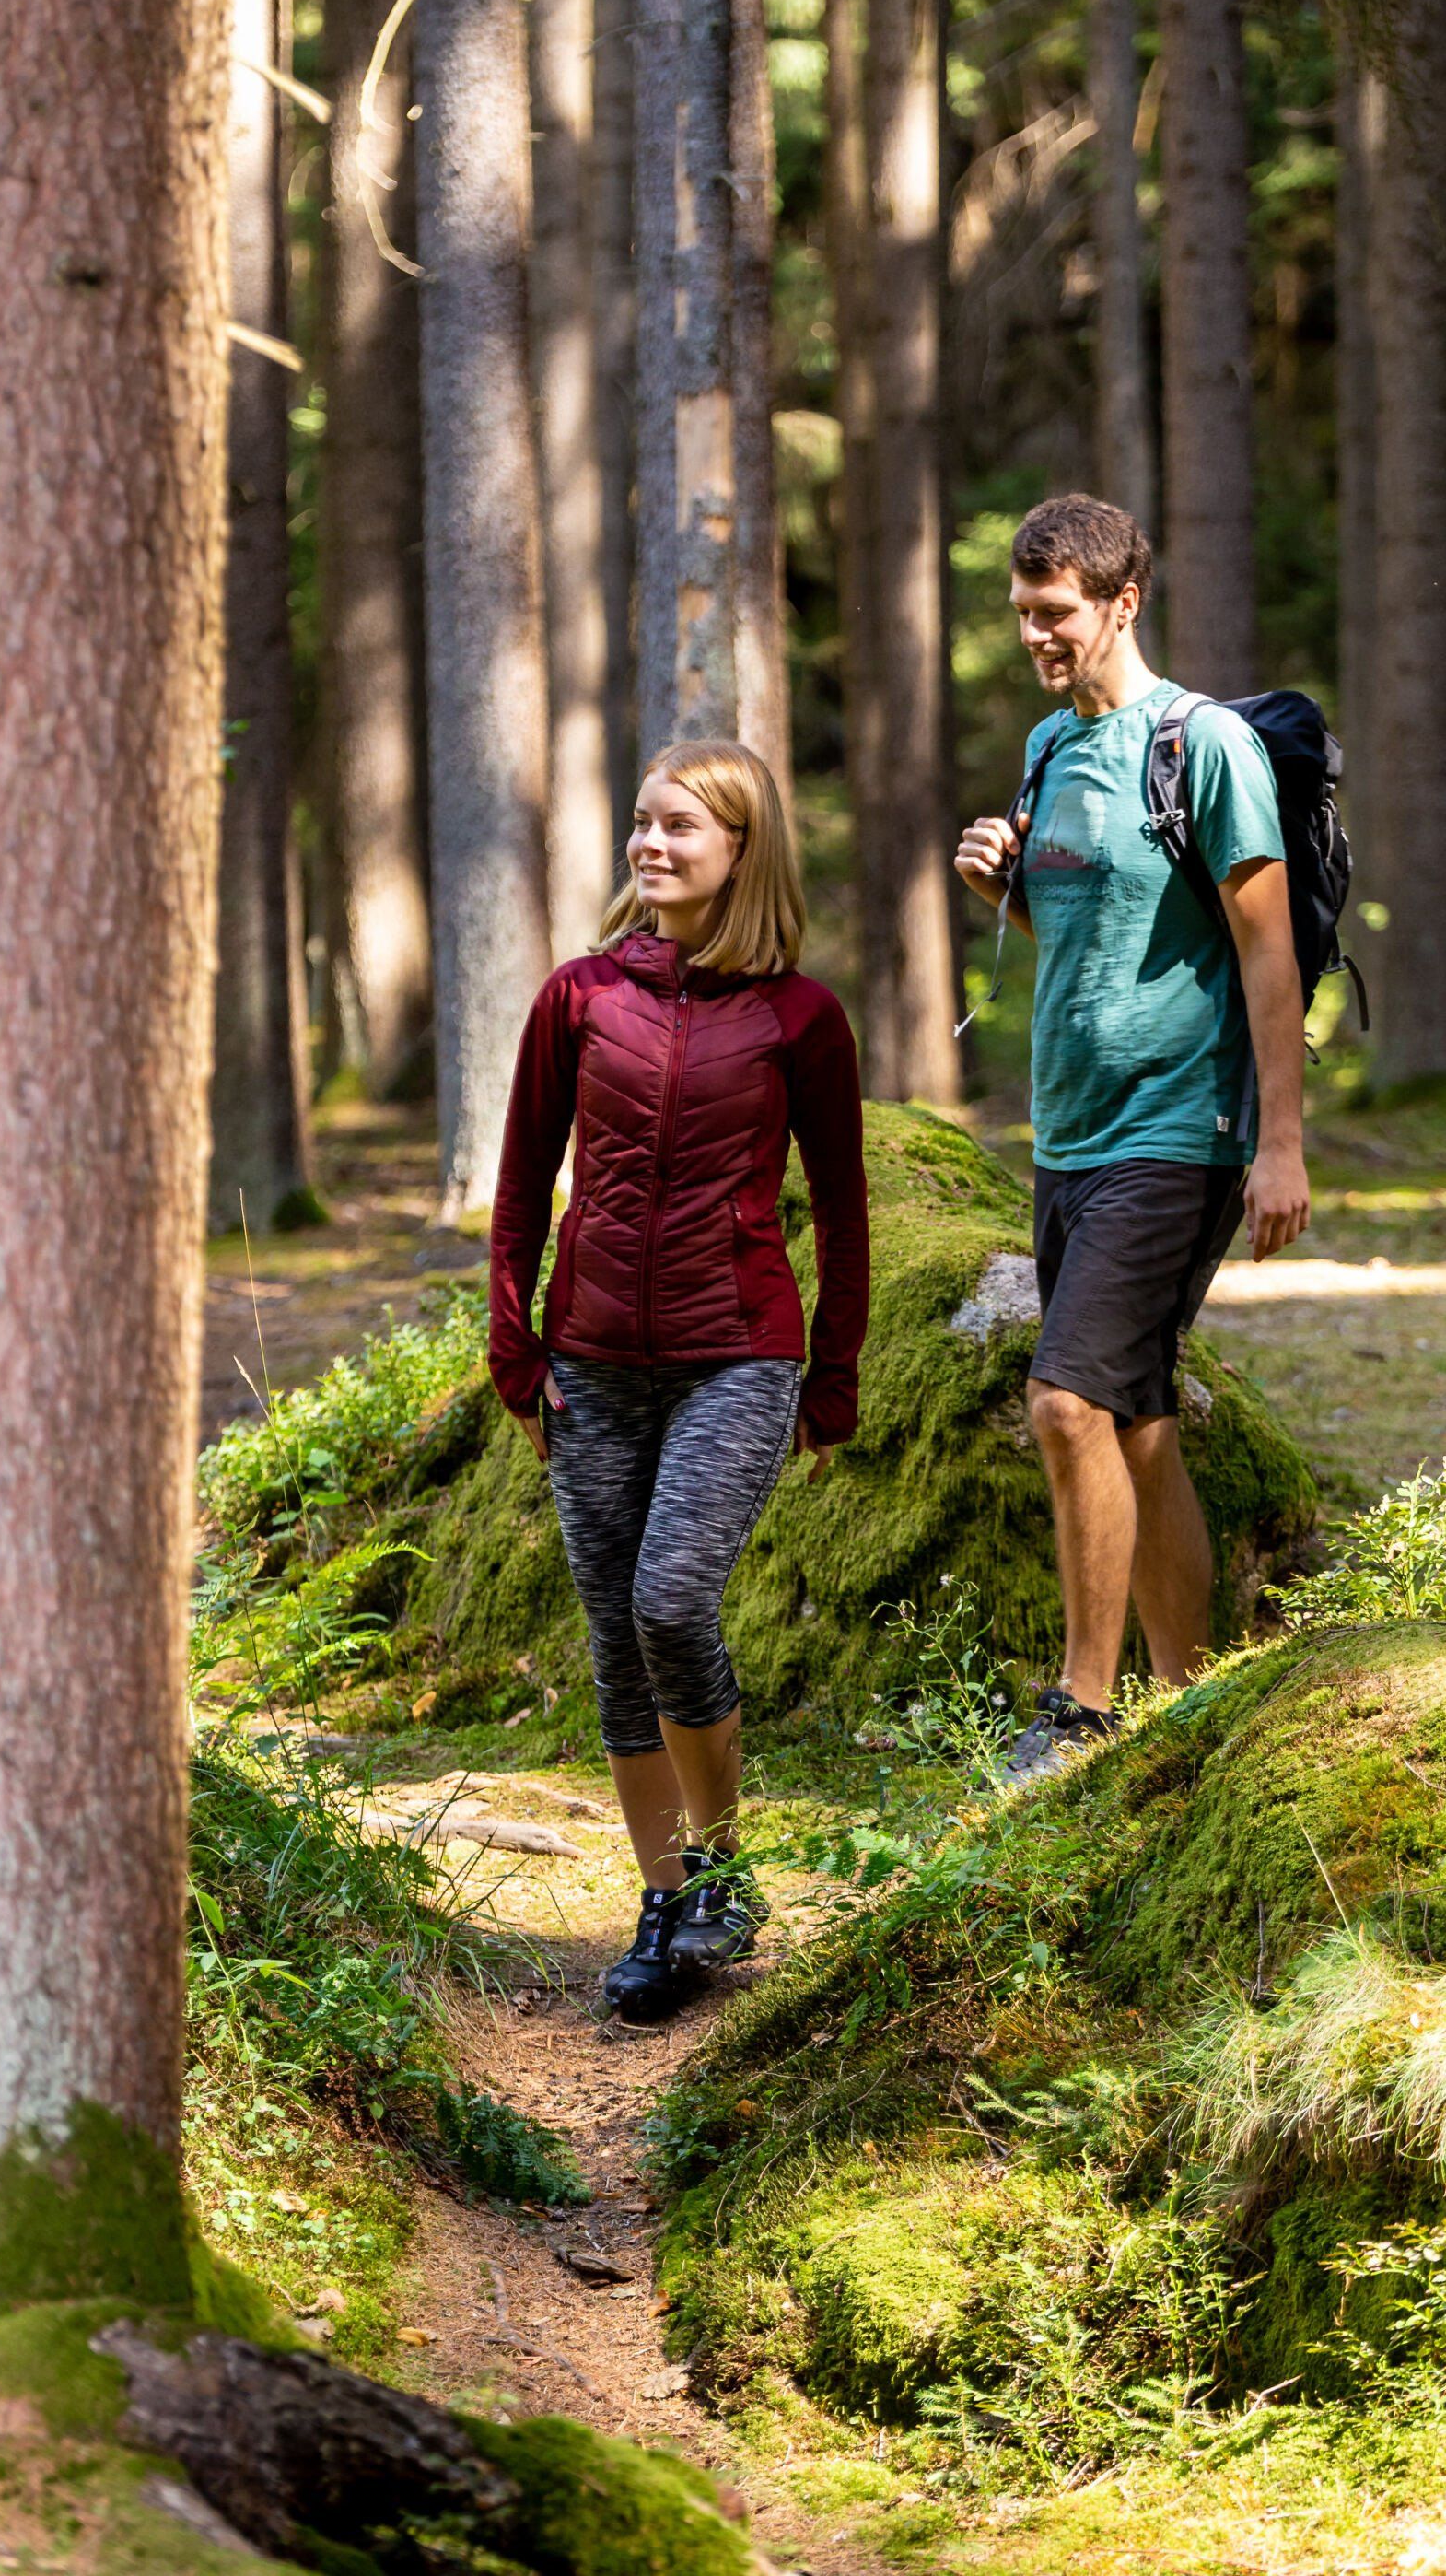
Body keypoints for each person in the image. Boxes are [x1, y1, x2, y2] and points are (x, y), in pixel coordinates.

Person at [488, 740, 869, 2017]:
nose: (650, 845)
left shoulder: (801, 1017)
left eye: (679, 830)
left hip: (738, 1355)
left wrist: (836, 1374)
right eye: (643, 825)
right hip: (590, 1360)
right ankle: (664, 1902)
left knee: (670, 1601)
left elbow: (847, 1208)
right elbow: (519, 1183)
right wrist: (513, 1342)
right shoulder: (580, 997)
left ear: (741, 853)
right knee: (614, 1638)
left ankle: (722, 1864)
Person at [954, 494, 1309, 1783]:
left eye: (1056, 615)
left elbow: (1265, 953)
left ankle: (1084, 1716)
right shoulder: (1051, 749)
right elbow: (1094, 940)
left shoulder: (1202, 745)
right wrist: (1004, 886)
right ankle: (1188, 1703)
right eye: (1023, 616)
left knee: (1065, 1403)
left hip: (1185, 1125)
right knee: (1138, 1415)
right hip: (1073, 1133)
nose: (1037, 638)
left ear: (1121, 601)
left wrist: (1282, 1142)